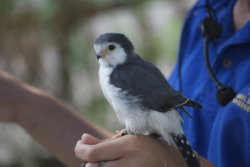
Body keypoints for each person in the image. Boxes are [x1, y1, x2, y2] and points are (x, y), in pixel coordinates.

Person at [75, 0, 250, 167]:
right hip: (162, 120)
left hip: (162, 118)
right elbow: (144, 153)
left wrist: (169, 160)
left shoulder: (119, 75)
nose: (101, 55)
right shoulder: (205, 11)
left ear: (125, 50)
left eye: (110, 48)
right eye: (98, 52)